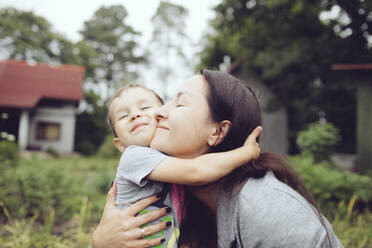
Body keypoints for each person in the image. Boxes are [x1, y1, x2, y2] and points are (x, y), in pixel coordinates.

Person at [92, 69, 343, 248]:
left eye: (179, 105)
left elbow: (198, 171)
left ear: (218, 132)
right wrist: (101, 243)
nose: (158, 113)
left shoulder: (265, 208)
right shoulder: (178, 193)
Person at [106, 84, 262, 247]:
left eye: (144, 107)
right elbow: (196, 171)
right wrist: (246, 153)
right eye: (123, 116)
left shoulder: (167, 157)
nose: (135, 115)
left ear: (162, 114)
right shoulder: (134, 156)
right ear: (119, 145)